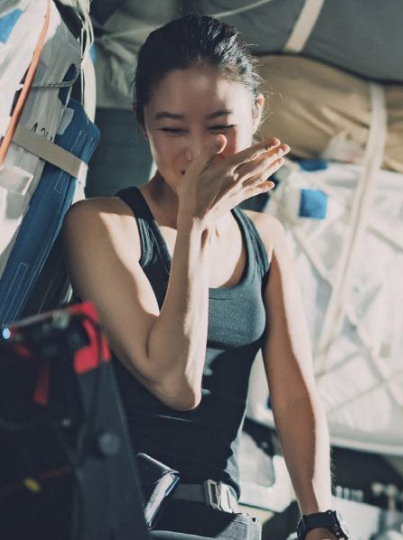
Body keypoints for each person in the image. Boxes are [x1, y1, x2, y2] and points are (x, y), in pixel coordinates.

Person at [64, 15, 348, 540]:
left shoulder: (266, 238)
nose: (198, 152)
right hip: (113, 508)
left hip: (218, 517)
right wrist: (194, 222)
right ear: (142, 123)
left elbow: (293, 394)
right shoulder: (102, 225)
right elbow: (174, 382)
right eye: (173, 129)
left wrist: (320, 519)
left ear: (256, 113)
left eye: (221, 127)